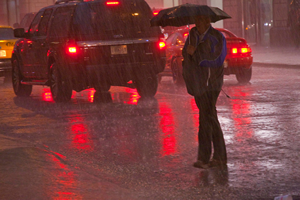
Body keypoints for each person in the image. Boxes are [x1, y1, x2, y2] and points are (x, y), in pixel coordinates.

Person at [182, 15, 227, 169]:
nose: (197, 23)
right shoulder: (192, 35)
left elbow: (216, 59)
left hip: (211, 84)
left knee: (206, 118)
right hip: (197, 83)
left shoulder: (216, 37)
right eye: (196, 21)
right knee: (209, 118)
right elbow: (185, 55)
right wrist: (188, 53)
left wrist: (195, 54)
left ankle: (206, 158)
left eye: (200, 21)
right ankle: (217, 157)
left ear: (207, 21)